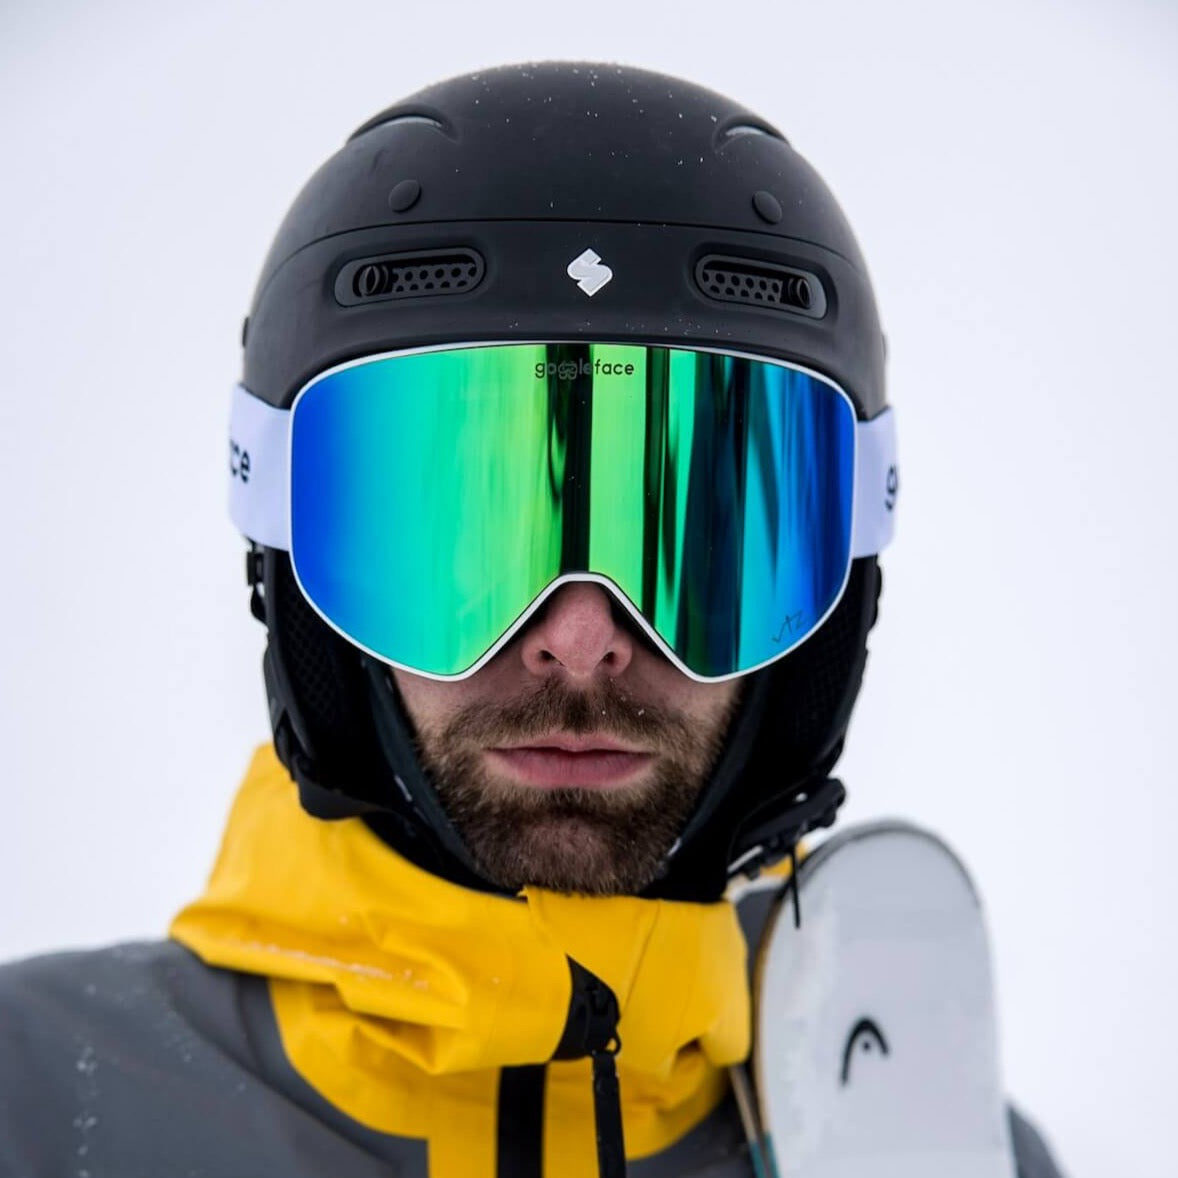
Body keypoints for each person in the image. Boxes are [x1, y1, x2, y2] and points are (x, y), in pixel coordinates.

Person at [0, 62, 1064, 1178]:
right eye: (462, 537)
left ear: (829, 618)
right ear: (301, 586)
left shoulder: (943, 1153)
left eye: (695, 540)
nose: (581, 635)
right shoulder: (33, 1108)